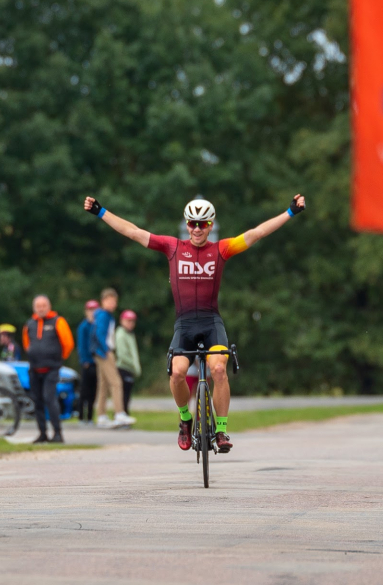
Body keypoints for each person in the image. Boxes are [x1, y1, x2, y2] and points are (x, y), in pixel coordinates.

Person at [85, 192, 305, 452]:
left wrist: (289, 212)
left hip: (212, 323)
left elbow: (256, 233)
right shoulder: (172, 247)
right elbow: (133, 232)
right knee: (177, 373)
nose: (197, 229)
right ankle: (185, 420)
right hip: (185, 325)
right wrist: (101, 211)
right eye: (192, 223)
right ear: (186, 224)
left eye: (202, 224)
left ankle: (221, 429)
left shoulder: (221, 249)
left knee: (219, 370)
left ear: (210, 225)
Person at [22, 294, 74, 443]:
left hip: (51, 368)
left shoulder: (58, 321)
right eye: (38, 306)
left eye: (43, 306)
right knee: (37, 401)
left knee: (49, 398)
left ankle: (57, 432)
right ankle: (42, 433)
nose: (41, 309)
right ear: (34, 308)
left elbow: (68, 343)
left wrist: (57, 358)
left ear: (49, 306)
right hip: (34, 368)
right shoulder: (30, 324)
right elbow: (27, 344)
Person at [91, 288, 132, 428]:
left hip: (100, 352)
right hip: (104, 352)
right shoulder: (104, 315)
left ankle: (101, 415)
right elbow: (99, 334)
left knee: (103, 385)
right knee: (116, 382)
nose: (113, 303)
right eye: (110, 301)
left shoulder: (105, 315)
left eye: (114, 301)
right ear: (103, 301)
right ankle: (119, 413)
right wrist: (106, 350)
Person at [116, 309, 141, 415]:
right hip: (123, 367)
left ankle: (125, 413)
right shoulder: (121, 334)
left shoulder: (130, 334)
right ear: (122, 321)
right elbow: (122, 355)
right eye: (128, 321)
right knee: (123, 395)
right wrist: (134, 366)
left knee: (127, 394)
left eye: (132, 321)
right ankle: (122, 413)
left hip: (129, 368)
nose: (131, 323)